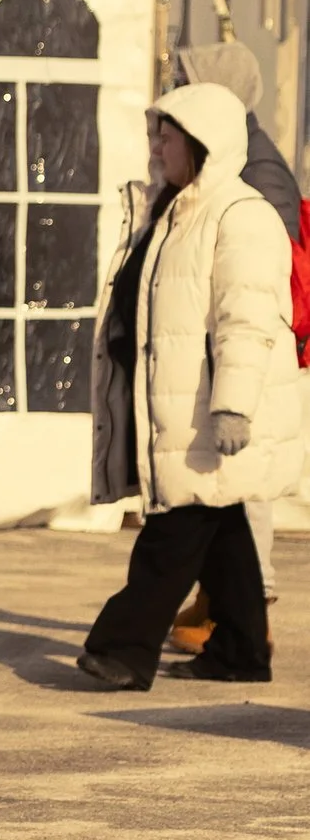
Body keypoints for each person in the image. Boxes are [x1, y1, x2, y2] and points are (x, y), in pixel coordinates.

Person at [76, 78, 302, 691]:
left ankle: (122, 649)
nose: (155, 148)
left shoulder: (241, 214)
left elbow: (249, 317)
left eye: (166, 137)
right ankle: (240, 651)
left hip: (210, 410)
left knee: (173, 534)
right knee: (224, 530)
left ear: (203, 143)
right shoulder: (175, 210)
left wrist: (233, 405)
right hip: (179, 405)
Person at [164, 40, 303, 660]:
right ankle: (226, 601)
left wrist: (239, 380)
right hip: (224, 349)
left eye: (185, 81)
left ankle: (254, 607)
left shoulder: (255, 171)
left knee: (247, 482)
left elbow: (249, 278)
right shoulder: (226, 157)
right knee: (222, 481)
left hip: (253, 352)